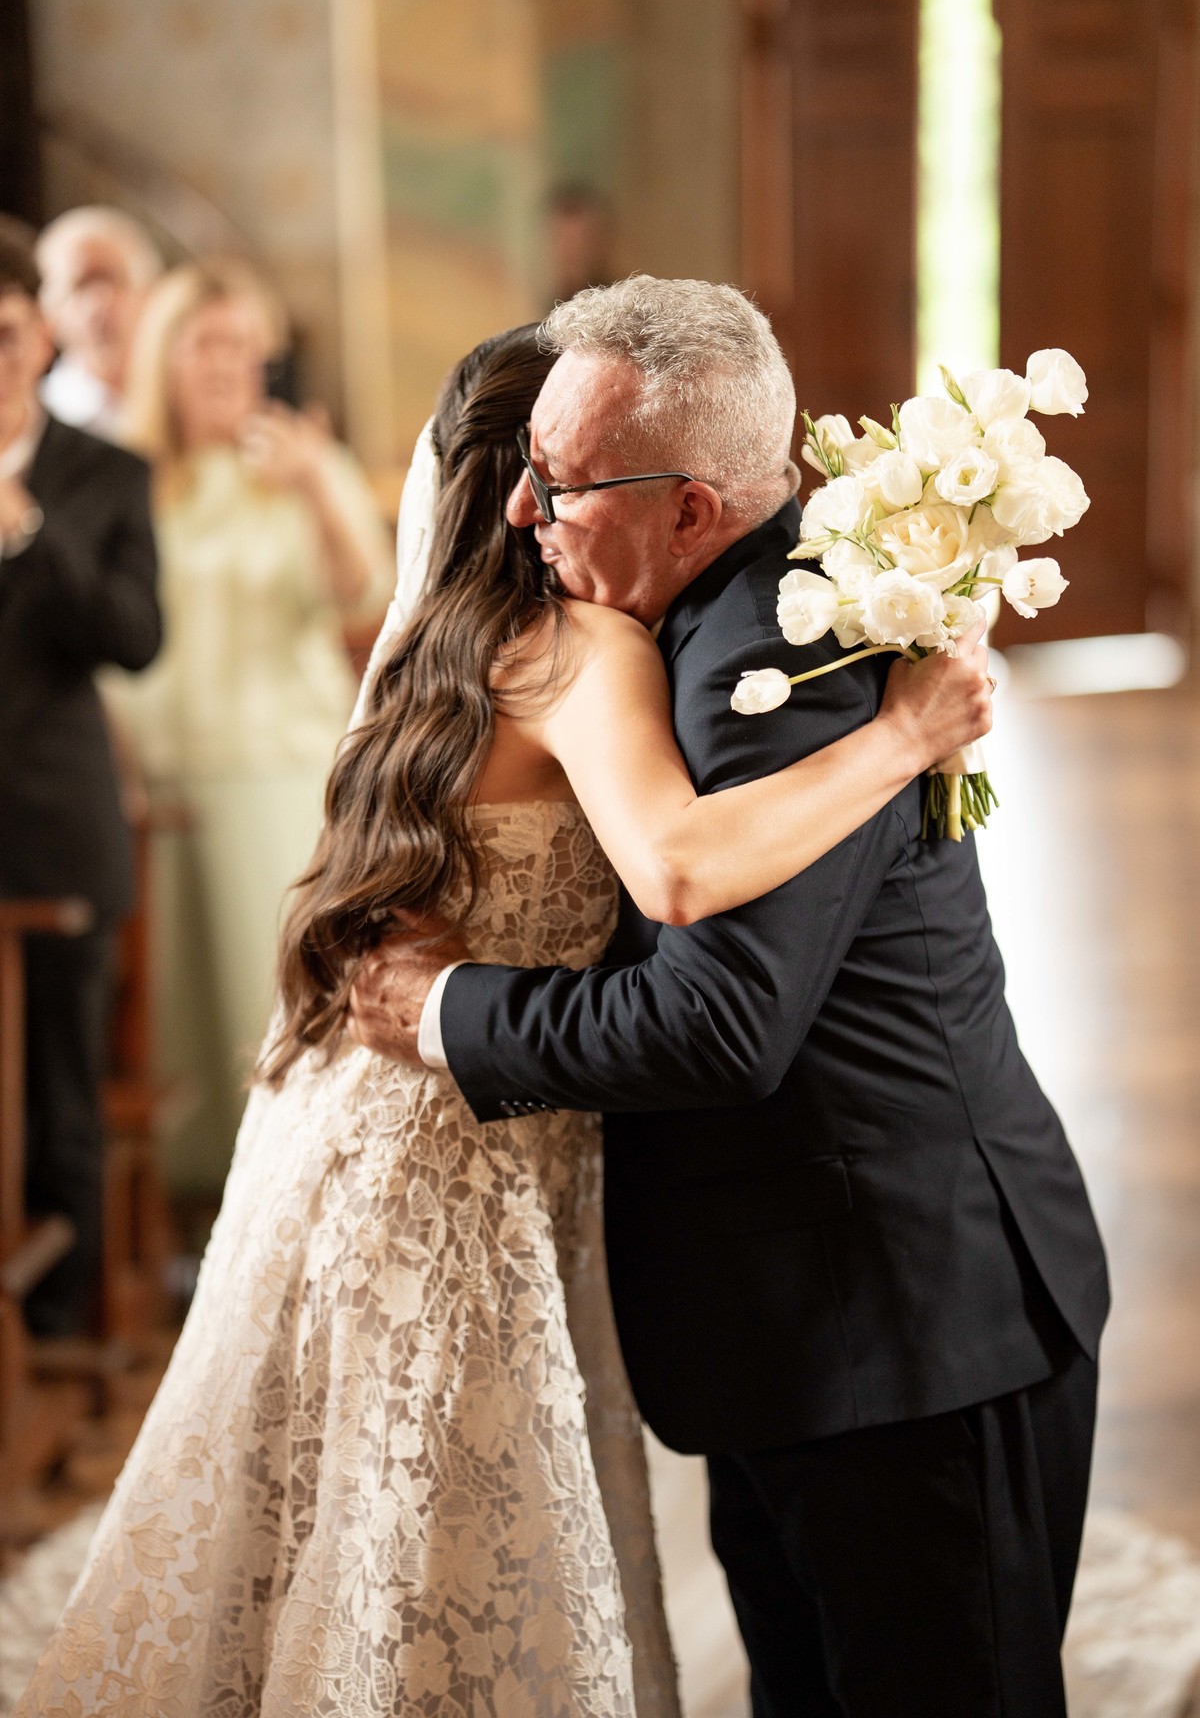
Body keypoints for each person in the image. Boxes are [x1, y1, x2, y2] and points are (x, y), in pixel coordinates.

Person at [17, 318, 994, 1716]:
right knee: (441, 1552)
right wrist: (905, 733)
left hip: (338, 1135)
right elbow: (677, 867)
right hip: (467, 1163)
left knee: (306, 1525)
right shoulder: (584, 648)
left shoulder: (428, 642)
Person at [348, 277, 1111, 1718]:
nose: (520, 511)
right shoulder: (709, 618)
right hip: (799, 1313)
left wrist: (446, 1011)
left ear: (692, 509)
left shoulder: (780, 656)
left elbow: (716, 1024)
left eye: (560, 483)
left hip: (903, 1330)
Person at [101, 257, 393, 1188]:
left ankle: (280, 1199)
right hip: (155, 777)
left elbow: (368, 595)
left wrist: (313, 486)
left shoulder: (302, 463)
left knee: (266, 1010)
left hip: (275, 771)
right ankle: (177, 1218)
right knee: (167, 1024)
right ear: (165, 356)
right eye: (205, 343)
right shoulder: (126, 473)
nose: (227, 363)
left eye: (242, 345)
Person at [0, 226, 161, 1338]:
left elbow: (135, 638)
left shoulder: (106, 473)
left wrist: (33, 533)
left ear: (41, 334)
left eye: (6, 334)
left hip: (56, 825)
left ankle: (60, 1334)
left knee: (62, 1093)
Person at [36, 205, 163, 440]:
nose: (99, 303)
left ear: (152, 293)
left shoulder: (183, 407)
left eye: (113, 279)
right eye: (80, 285)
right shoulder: (36, 420)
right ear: (47, 310)